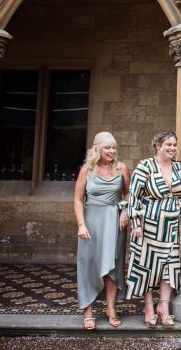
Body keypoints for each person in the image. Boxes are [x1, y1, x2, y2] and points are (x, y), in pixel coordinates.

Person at [126, 130, 181, 329]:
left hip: (172, 225)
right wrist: (135, 223)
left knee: (169, 265)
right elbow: (134, 195)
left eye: (174, 144)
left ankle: (163, 306)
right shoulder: (145, 166)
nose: (172, 148)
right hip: (148, 224)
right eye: (168, 145)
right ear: (158, 146)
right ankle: (148, 307)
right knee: (147, 266)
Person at [74, 131, 130, 330]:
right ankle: (87, 310)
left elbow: (128, 194)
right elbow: (78, 200)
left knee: (113, 266)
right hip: (91, 222)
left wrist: (125, 212)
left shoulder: (122, 168)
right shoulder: (87, 170)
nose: (112, 151)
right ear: (97, 149)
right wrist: (81, 224)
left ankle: (111, 308)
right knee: (88, 264)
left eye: (114, 147)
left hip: (115, 222)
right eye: (107, 147)